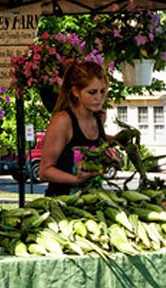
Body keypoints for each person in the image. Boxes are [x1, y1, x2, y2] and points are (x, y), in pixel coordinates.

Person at [38, 60, 110, 197]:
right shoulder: (63, 121)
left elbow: (95, 155)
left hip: (93, 201)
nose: (99, 98)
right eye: (92, 92)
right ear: (76, 92)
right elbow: (44, 171)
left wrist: (111, 158)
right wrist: (76, 179)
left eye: (103, 91)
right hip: (62, 203)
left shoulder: (99, 118)